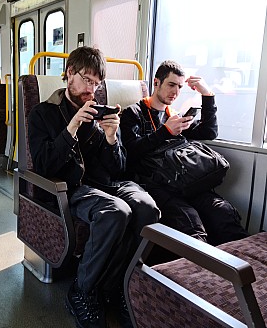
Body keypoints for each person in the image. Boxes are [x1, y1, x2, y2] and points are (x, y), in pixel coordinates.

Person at [28, 46, 160, 328]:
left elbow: (118, 167)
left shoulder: (101, 114)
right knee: (115, 212)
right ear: (69, 75)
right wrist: (72, 128)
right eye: (87, 80)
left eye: (97, 83)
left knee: (148, 208)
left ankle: (116, 286)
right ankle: (82, 291)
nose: (92, 89)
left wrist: (112, 138)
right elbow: (43, 165)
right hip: (71, 187)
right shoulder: (44, 113)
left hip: (108, 184)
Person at [120, 60, 249, 248]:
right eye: (171, 85)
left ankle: (246, 268)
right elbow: (130, 153)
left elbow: (208, 133)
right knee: (191, 224)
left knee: (223, 212)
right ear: (156, 83)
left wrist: (207, 95)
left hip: (185, 181)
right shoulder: (133, 113)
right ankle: (197, 275)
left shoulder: (175, 115)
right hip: (156, 184)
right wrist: (165, 131)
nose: (176, 92)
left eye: (180, 87)